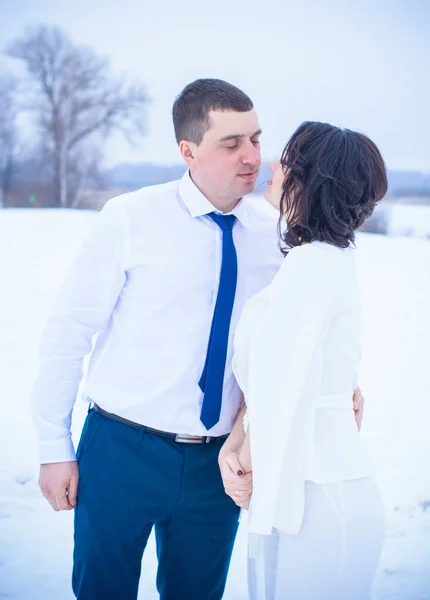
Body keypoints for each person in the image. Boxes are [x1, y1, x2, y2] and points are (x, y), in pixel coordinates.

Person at [31, 79, 363, 600]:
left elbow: (294, 343)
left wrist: (341, 384)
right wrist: (55, 448)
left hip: (219, 469)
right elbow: (68, 333)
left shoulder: (277, 240)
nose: (252, 156)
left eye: (256, 139)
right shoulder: (130, 219)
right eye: (231, 144)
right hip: (121, 449)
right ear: (188, 151)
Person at [230, 121, 387, 599]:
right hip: (311, 487)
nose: (273, 167)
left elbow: (285, 385)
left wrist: (242, 463)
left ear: (313, 181)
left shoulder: (313, 266)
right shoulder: (319, 260)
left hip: (321, 496)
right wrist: (237, 446)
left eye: (288, 160)